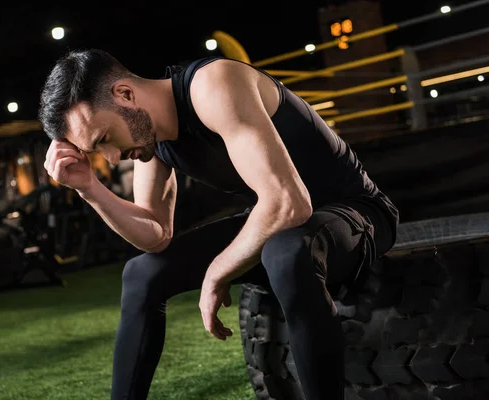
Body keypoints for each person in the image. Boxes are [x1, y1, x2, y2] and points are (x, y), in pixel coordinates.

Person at [39, 49, 399, 400]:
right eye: (97, 150)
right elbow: (154, 235)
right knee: (141, 274)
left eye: (104, 139)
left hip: (356, 214)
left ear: (125, 94)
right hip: (281, 222)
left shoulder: (214, 85)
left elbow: (288, 202)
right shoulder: (151, 139)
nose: (112, 157)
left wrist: (217, 273)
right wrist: (89, 188)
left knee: (285, 252)